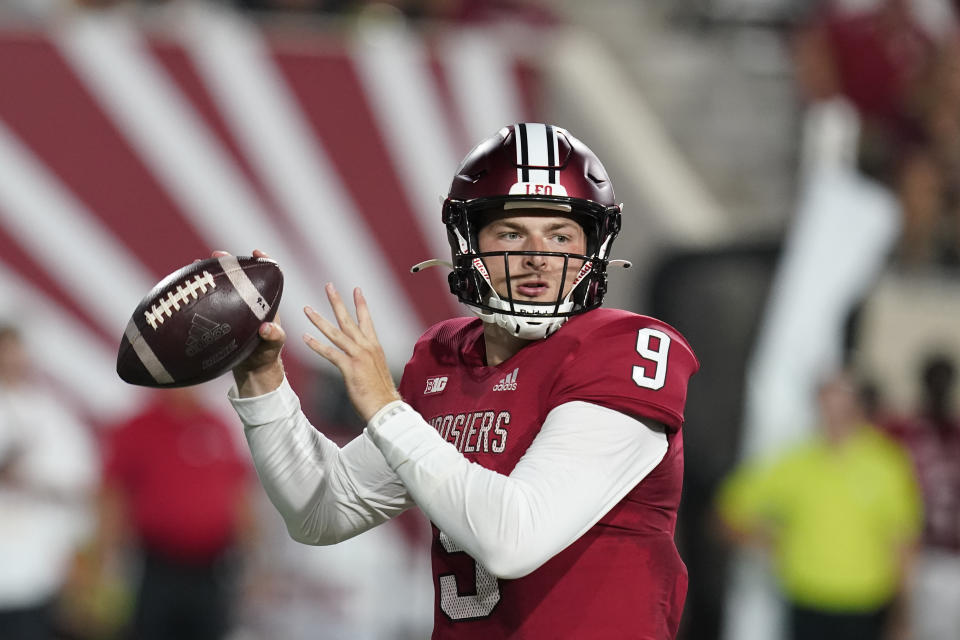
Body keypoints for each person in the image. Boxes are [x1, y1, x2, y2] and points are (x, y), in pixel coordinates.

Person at [226, 123, 700, 639]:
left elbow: (513, 540)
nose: (538, 256)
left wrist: (386, 409)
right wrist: (261, 378)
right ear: (467, 241)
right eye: (512, 233)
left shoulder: (625, 349)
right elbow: (322, 511)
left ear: (595, 246)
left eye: (561, 235)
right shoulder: (445, 360)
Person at [716, 371, 922, 640]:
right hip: (806, 600)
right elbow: (730, 510)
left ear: (857, 407)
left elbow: (903, 542)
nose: (834, 415)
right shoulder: (795, 461)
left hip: (865, 605)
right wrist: (768, 540)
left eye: (842, 405)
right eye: (827, 405)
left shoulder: (886, 463)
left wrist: (902, 615)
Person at [96, 386, 255, 640]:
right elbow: (113, 497)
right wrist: (106, 558)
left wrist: (252, 558)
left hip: (212, 569)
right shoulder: (137, 427)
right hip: (156, 567)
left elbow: (238, 494)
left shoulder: (217, 425)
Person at [0, 324, 99, 640]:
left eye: (14, 352)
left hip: (38, 572)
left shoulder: (53, 416)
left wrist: (27, 477)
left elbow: (81, 484)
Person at [883, 354, 960, 640]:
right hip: (911, 556)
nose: (939, 388)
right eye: (933, 380)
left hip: (953, 555)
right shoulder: (900, 430)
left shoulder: (956, 433)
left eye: (945, 380)